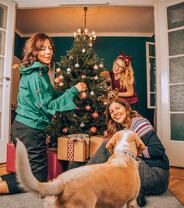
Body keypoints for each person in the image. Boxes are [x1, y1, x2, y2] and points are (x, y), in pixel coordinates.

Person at [0, 33, 87, 195]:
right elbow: (47, 106)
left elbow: (52, 96)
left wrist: (70, 91)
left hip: (24, 128)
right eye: (42, 49)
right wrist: (74, 90)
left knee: (26, 173)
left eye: (50, 48)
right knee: (36, 179)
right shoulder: (36, 75)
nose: (48, 52)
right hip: (29, 130)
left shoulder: (38, 72)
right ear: (34, 51)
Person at [87, 98, 170, 207]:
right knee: (115, 153)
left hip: (157, 176)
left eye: (117, 108)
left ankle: (84, 178)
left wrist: (132, 152)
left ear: (126, 109)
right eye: (111, 111)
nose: (115, 112)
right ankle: (136, 192)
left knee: (110, 148)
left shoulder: (139, 123)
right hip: (140, 176)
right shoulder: (122, 130)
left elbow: (158, 150)